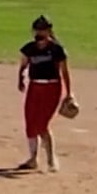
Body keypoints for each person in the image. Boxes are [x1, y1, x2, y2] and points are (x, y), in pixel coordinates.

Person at [17, 15, 73, 171]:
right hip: (34, 87)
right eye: (37, 30)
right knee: (30, 123)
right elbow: (23, 65)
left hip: (52, 88)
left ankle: (51, 159)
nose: (39, 33)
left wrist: (69, 94)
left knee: (42, 124)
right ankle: (33, 159)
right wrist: (20, 78)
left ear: (49, 31)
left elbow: (65, 72)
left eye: (42, 30)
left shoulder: (56, 50)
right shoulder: (29, 48)